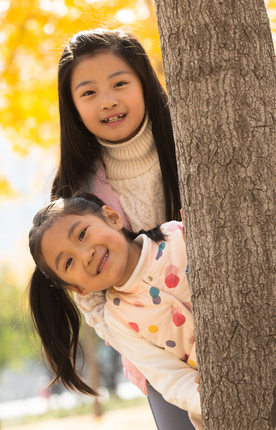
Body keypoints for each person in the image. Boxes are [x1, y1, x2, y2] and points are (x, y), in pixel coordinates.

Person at [49, 28, 193, 429]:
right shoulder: (76, 191)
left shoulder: (192, 144)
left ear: (144, 83)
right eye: (89, 92)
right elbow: (92, 303)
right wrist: (140, 343)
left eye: (120, 84)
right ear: (73, 106)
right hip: (158, 352)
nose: (108, 101)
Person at [27, 194, 202, 429]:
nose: (85, 255)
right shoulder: (119, 320)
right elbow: (167, 375)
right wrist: (207, 396)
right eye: (68, 263)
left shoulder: (177, 236)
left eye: (82, 234)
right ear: (78, 288)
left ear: (112, 218)